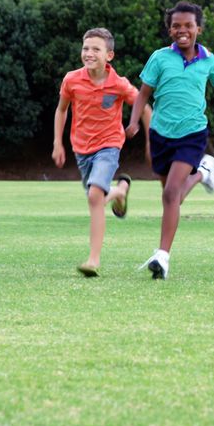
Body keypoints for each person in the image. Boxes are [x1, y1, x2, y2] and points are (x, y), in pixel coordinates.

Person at [125, 1, 214, 280]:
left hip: (192, 134)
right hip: (160, 134)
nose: (182, 30)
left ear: (199, 29)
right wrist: (134, 121)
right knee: (172, 197)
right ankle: (203, 173)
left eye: (188, 26)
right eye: (176, 26)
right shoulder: (159, 58)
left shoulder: (210, 60)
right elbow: (143, 94)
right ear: (170, 30)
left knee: (170, 194)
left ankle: (162, 256)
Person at [53, 28, 152, 277]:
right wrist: (57, 142)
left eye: (95, 49)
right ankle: (120, 190)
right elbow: (62, 110)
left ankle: (93, 260)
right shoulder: (71, 80)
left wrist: (152, 142)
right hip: (81, 149)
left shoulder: (118, 84)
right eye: (86, 48)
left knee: (94, 196)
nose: (89, 53)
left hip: (109, 145)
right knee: (95, 197)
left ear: (109, 55)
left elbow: (145, 108)